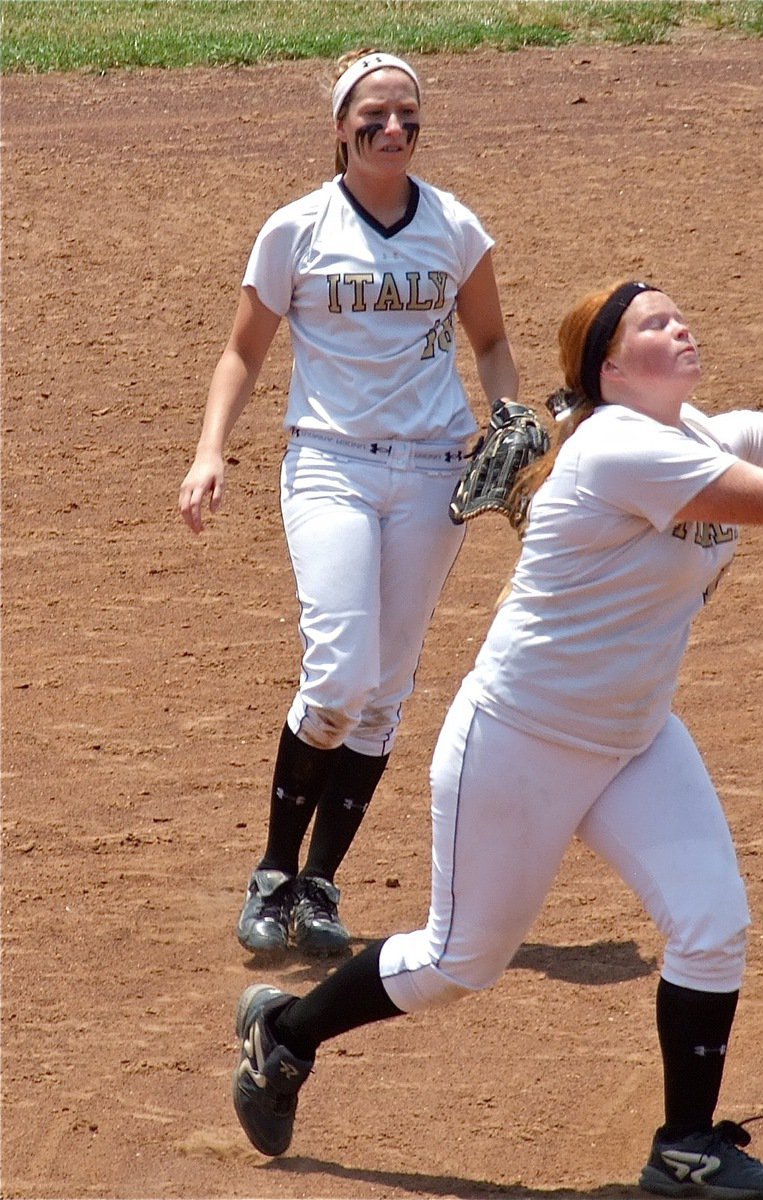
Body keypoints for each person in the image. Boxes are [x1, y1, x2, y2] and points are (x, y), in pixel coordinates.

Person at [229, 280, 763, 1197]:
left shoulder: (700, 434)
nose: (681, 324)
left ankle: (687, 1146)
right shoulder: (616, 448)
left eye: (681, 312)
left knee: (711, 924)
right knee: (457, 963)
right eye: (653, 322)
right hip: (522, 740)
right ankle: (284, 1035)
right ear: (608, 367)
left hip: (634, 737)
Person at [178, 49, 519, 957]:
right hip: (329, 463)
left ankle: (320, 888)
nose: (394, 127)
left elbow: (488, 340)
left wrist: (510, 419)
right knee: (339, 674)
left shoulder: (453, 226)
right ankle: (272, 875)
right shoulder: (296, 229)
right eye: (374, 114)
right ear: (340, 127)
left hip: (435, 468)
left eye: (408, 113)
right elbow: (243, 351)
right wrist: (211, 451)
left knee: (384, 696)